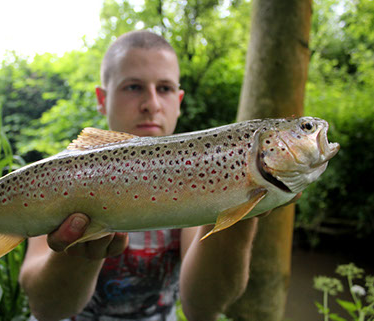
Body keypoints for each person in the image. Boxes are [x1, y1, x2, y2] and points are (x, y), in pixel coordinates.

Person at [19, 30, 260, 321]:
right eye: (133, 87)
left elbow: (202, 308)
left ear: (180, 99)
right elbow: (45, 309)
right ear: (102, 99)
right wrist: (76, 251)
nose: (152, 104)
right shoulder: (62, 173)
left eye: (166, 88)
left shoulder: (198, 169)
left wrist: (243, 206)